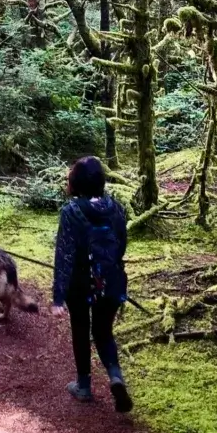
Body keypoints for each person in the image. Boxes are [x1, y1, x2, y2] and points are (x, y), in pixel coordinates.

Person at [51, 156, 133, 413]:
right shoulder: (117, 207)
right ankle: (115, 375)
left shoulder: (71, 212)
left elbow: (64, 254)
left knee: (80, 328)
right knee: (103, 331)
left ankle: (84, 386)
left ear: (76, 182)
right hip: (111, 280)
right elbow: (121, 245)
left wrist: (58, 295)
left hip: (81, 284)